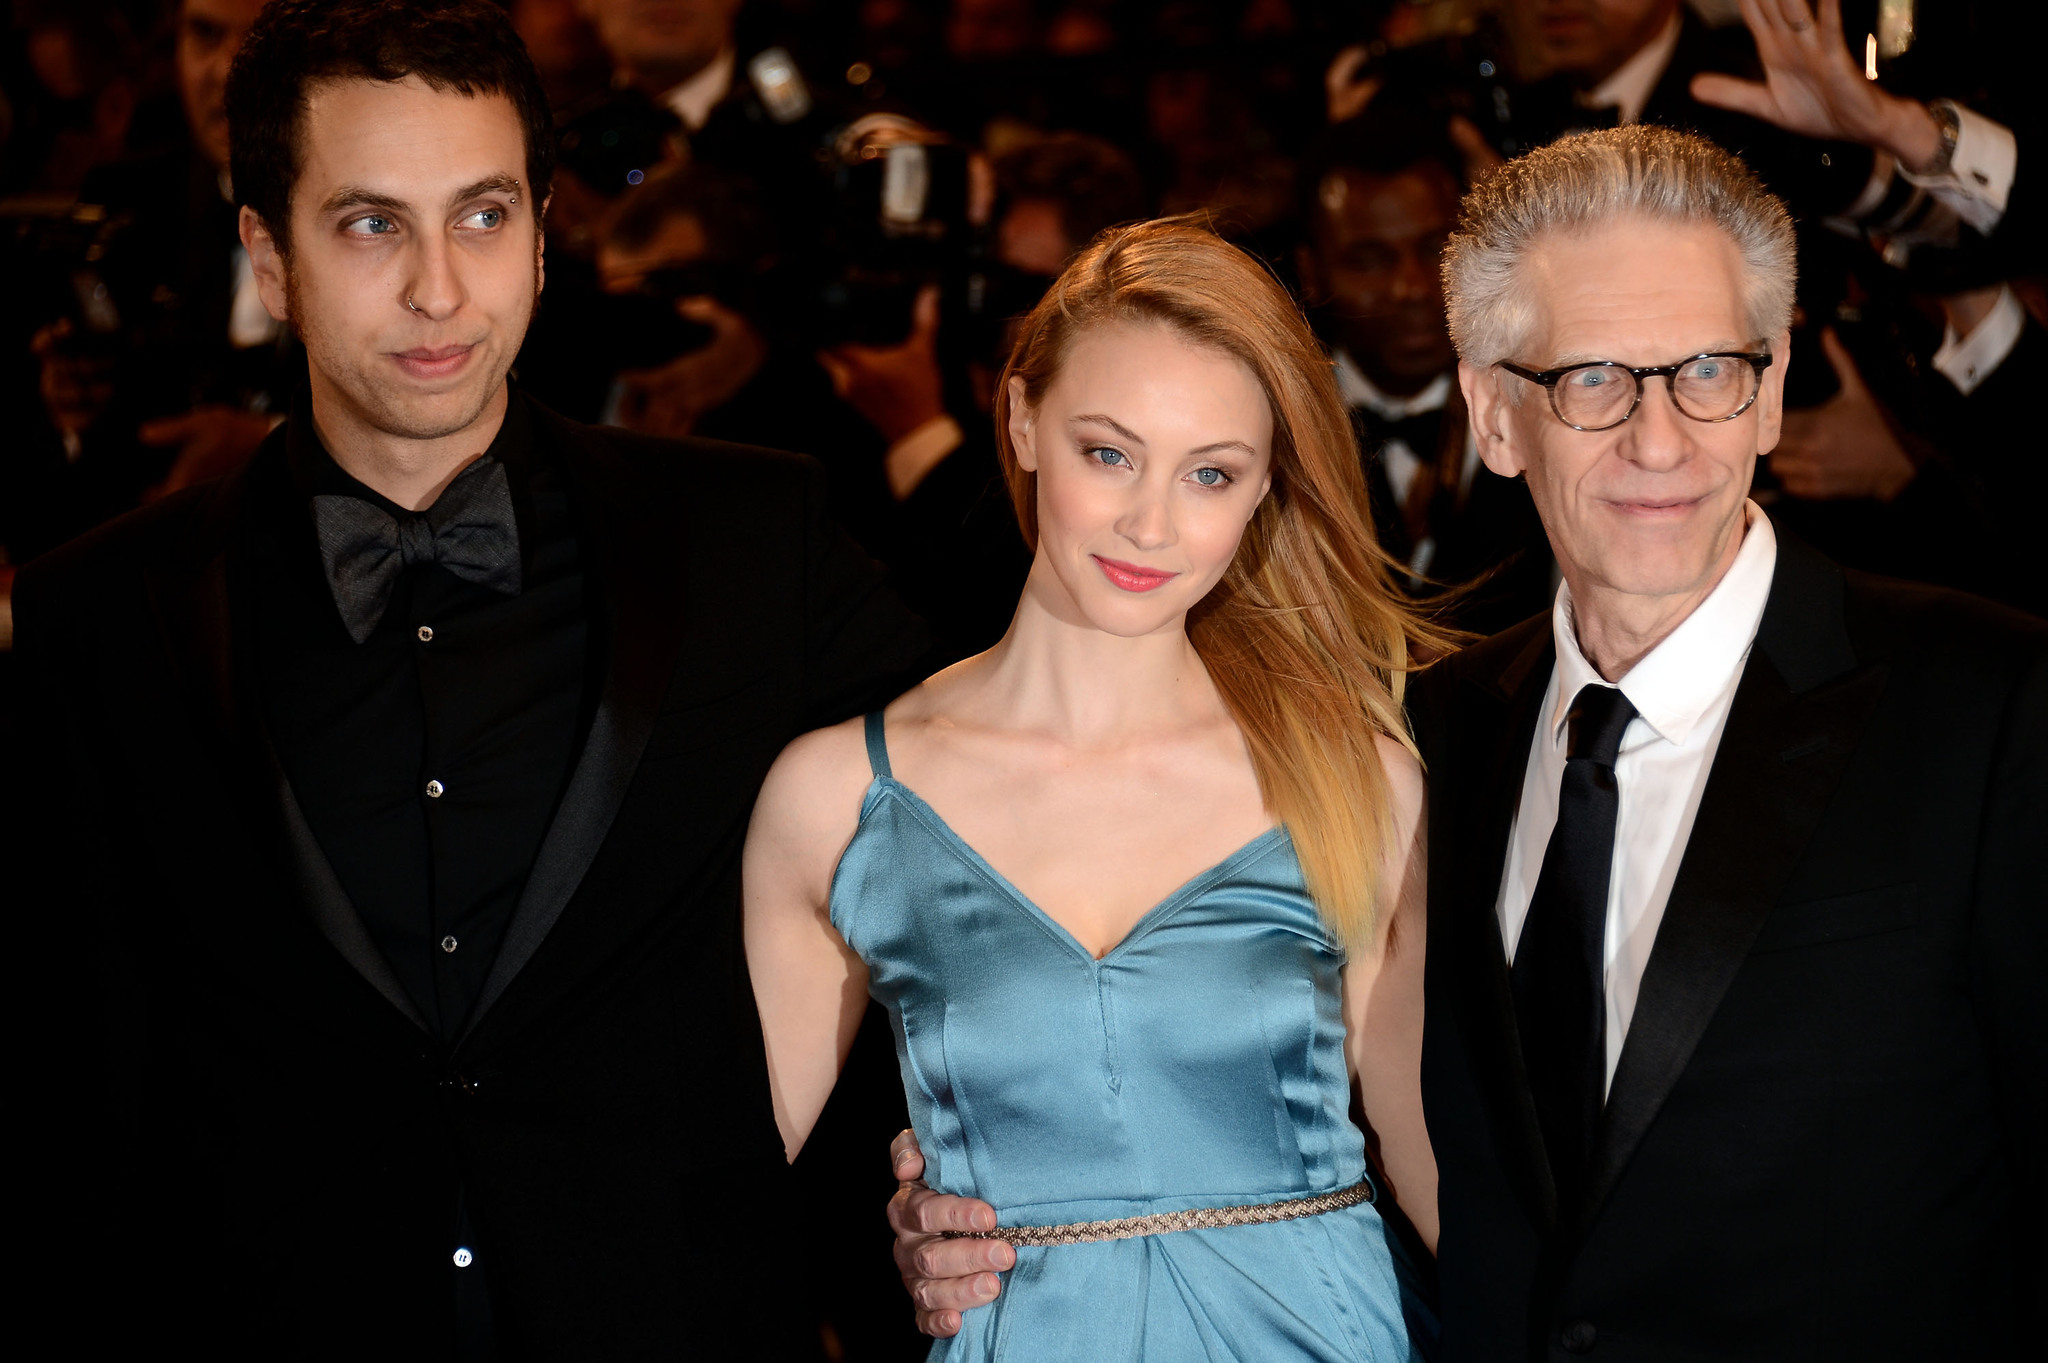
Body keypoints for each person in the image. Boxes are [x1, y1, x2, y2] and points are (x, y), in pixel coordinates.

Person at [892, 124, 2045, 1360]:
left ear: (1766, 393)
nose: (1658, 442)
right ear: (1493, 414)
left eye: (1707, 371)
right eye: (1592, 379)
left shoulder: (1988, 705)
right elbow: (1282, 1099)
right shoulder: (1428, 741)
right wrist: (995, 1191)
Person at [9, 0, 925, 1356]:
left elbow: (995, 814)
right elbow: (71, 1069)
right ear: (269, 257)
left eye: (483, 217)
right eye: (373, 224)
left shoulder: (752, 541)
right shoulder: (105, 609)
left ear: (545, 235)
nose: (441, 287)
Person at [744, 219, 1441, 1359]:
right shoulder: (836, 799)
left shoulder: (1356, 779)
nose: (1150, 524)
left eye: (1210, 473)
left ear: (1265, 488)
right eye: (1107, 453)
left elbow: (1434, 1163)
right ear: (1020, 420)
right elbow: (704, 1194)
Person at [1297, 104, 1553, 632]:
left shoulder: (1549, 402)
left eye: (1436, 248)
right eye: (1368, 260)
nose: (1412, 287)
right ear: (1311, 272)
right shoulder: (1275, 425)